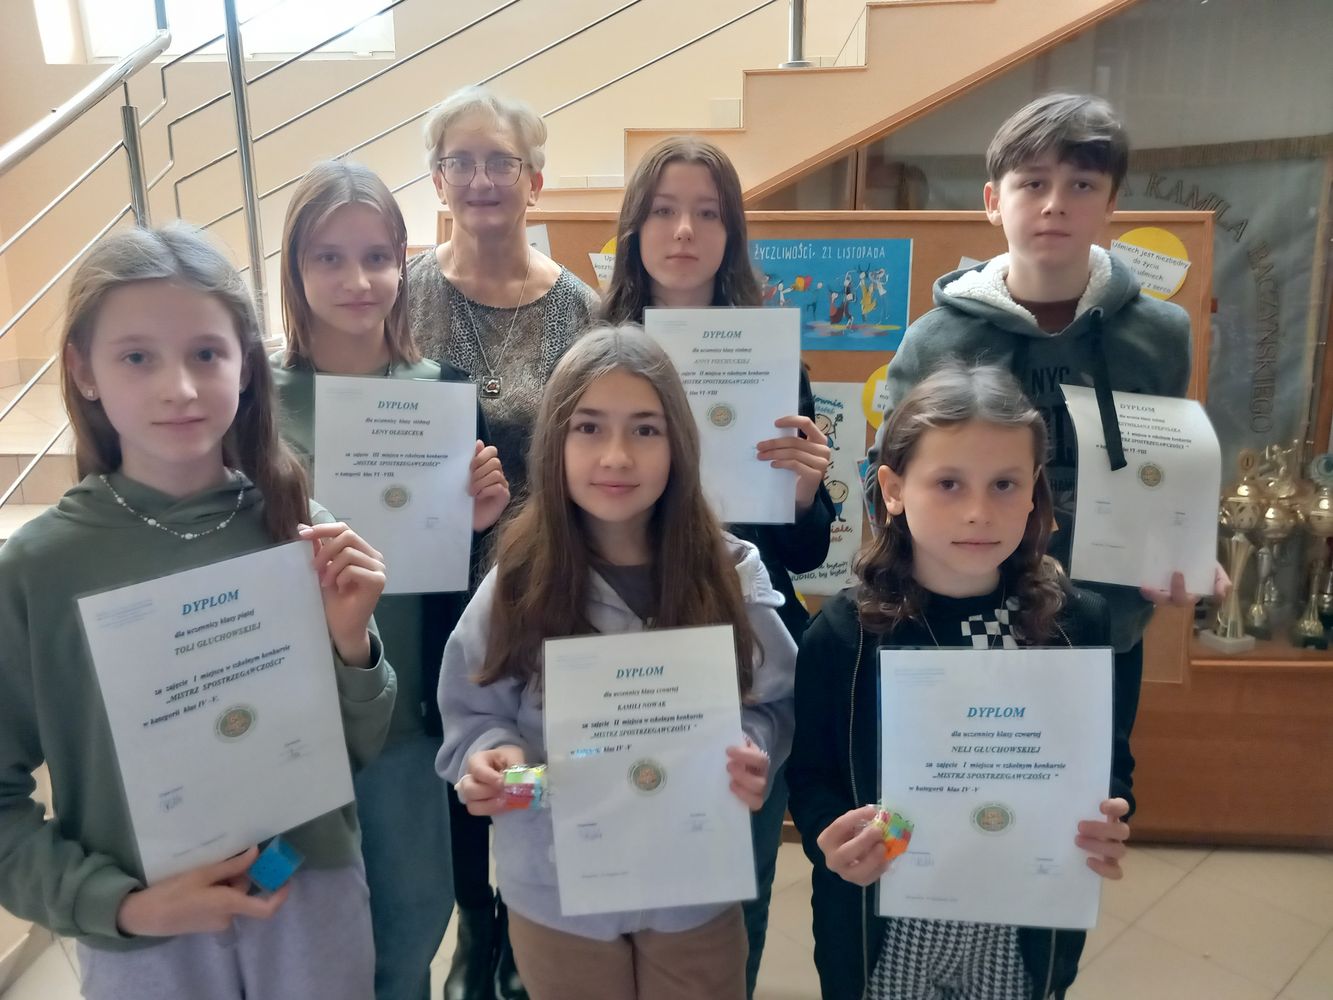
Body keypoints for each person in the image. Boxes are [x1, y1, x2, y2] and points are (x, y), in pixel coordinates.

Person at [0, 224, 395, 999]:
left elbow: (351, 752)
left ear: (246, 363)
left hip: (310, 901)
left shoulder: (300, 526)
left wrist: (353, 647)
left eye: (206, 354)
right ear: (82, 369)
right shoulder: (38, 570)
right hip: (147, 935)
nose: (178, 387)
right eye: (136, 357)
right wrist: (121, 906)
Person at [437, 325, 796, 1000]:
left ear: (679, 444)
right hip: (556, 890)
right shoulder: (518, 579)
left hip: (690, 883)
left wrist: (752, 747)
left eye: (645, 430)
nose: (616, 456)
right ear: (554, 443)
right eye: (588, 428)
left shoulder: (726, 573)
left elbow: (769, 700)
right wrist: (492, 758)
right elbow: (475, 709)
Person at [883, 93, 1226, 790]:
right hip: (963, 613)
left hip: (1105, 618)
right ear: (993, 201)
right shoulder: (933, 340)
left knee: (1090, 794)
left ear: (1111, 204)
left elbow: (1164, 462)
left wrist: (1185, 545)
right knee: (955, 789)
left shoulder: (1159, 334)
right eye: (1033, 183)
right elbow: (888, 478)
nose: (1054, 205)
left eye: (1081, 185)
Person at [788, 362, 1134, 1000]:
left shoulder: (1076, 624)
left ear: (1033, 491)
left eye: (1005, 484)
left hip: (1020, 924)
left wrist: (1110, 813)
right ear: (893, 488)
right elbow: (811, 775)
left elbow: (1110, 763)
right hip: (888, 923)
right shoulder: (847, 634)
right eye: (948, 483)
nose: (978, 512)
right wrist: (829, 838)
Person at [270, 160, 511, 1000]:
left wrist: (474, 526)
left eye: (377, 256)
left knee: (411, 925)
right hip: (297, 723)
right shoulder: (252, 401)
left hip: (410, 714)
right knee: (300, 938)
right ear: (294, 269)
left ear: (403, 264)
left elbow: (462, 585)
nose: (357, 280)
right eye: (329, 258)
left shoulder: (442, 394)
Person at [601, 135, 834, 996]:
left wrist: (805, 493)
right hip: (622, 646)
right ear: (634, 229)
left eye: (707, 213)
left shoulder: (776, 364)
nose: (683, 231)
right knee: (619, 872)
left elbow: (801, 553)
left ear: (732, 234)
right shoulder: (596, 358)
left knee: (735, 886)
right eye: (663, 210)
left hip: (741, 656)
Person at [406, 89, 599, 996]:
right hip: (431, 579)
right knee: (455, 750)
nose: (481, 179)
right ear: (438, 181)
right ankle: (474, 927)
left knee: (533, 748)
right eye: (461, 161)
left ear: (534, 182)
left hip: (547, 576)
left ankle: (527, 920)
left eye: (500, 162)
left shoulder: (580, 309)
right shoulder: (400, 298)